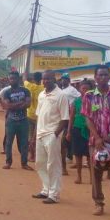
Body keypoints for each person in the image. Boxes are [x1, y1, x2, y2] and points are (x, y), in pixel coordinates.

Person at [82, 65, 110, 218]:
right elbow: (87, 119)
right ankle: (98, 203)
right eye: (100, 75)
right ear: (95, 77)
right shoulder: (88, 96)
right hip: (96, 142)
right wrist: (98, 138)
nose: (103, 78)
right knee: (96, 174)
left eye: (105, 75)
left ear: (109, 76)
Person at [31, 71, 71, 204]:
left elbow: (65, 118)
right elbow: (39, 116)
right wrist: (34, 135)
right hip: (40, 134)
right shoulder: (42, 94)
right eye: (43, 79)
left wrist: (55, 134)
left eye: (48, 79)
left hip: (52, 134)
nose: (45, 81)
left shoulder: (61, 95)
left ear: (54, 79)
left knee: (53, 165)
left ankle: (54, 194)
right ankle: (46, 189)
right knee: (40, 164)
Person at [0, 71, 32, 170]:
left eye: (14, 78)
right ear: (9, 80)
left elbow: (28, 104)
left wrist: (13, 105)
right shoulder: (7, 92)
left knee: (24, 143)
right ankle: (8, 162)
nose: (12, 80)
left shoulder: (26, 90)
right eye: (10, 79)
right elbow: (7, 106)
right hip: (11, 120)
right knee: (9, 142)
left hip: (23, 121)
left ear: (18, 79)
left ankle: (24, 163)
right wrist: (20, 103)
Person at [67, 79, 93, 184]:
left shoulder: (94, 101)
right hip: (77, 128)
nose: (85, 90)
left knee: (90, 155)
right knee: (77, 155)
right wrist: (69, 131)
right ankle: (79, 176)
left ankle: (92, 177)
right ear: (80, 89)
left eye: (87, 89)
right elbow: (71, 117)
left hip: (90, 129)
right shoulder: (76, 102)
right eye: (83, 88)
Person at [58, 74, 81, 175]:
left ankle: (69, 158)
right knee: (64, 140)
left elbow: (80, 97)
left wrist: (73, 107)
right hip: (62, 116)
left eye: (65, 79)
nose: (63, 81)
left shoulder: (72, 90)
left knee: (67, 139)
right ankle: (67, 159)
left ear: (68, 80)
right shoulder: (61, 90)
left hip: (70, 117)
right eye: (62, 79)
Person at [24, 72, 44, 162]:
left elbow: (24, 80)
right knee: (38, 137)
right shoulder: (44, 88)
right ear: (41, 79)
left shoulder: (29, 86)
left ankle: (32, 155)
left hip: (30, 115)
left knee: (30, 136)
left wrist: (25, 74)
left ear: (33, 79)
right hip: (40, 116)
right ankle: (37, 155)